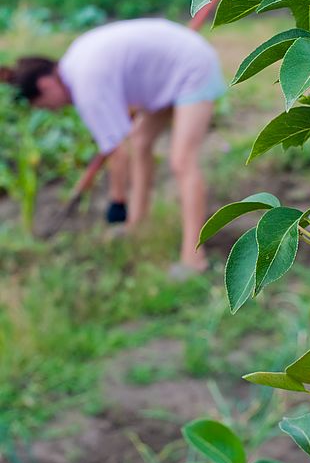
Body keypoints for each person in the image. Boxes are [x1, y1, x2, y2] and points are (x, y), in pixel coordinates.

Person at [1, 18, 226, 273]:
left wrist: (116, 203)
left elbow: (119, 153)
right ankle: (137, 225)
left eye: (43, 105)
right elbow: (125, 140)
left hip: (191, 69)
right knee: (141, 139)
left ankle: (193, 258)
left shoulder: (86, 85)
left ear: (45, 86)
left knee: (182, 161)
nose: (51, 110)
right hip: (174, 64)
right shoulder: (75, 63)